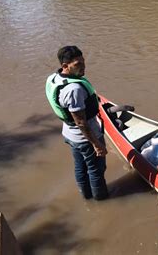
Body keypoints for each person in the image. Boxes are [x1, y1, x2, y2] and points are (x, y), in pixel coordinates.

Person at [45, 45, 109, 200]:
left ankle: (86, 197)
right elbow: (81, 122)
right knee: (96, 170)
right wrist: (96, 143)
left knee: (80, 167)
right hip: (85, 138)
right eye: (77, 64)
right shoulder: (74, 89)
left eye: (83, 62)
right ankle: (101, 200)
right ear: (65, 66)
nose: (83, 67)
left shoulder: (54, 78)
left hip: (69, 134)